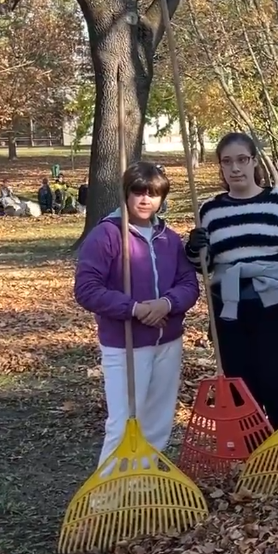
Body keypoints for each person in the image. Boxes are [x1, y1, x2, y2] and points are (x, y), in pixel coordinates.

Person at [73, 161, 200, 466]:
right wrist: (134, 309)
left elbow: (188, 284)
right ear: (126, 193)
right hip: (126, 344)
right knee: (125, 420)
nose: (145, 199)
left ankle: (143, 482)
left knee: (158, 421)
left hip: (167, 342)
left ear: (162, 197)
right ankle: (108, 494)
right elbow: (87, 288)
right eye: (138, 191)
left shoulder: (168, 237)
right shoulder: (108, 235)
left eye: (153, 193)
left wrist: (167, 304)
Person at [186, 132, 278, 430]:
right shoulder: (210, 210)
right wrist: (194, 247)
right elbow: (203, 266)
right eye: (227, 162)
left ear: (254, 161)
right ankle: (252, 458)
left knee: (276, 386)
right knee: (241, 389)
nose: (235, 168)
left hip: (275, 308)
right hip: (230, 310)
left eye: (242, 160)